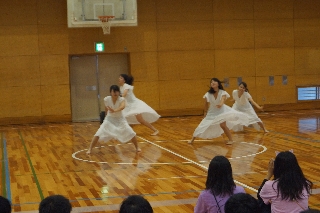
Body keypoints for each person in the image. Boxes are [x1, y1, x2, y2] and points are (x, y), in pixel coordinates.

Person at [189, 78, 249, 145]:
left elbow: (223, 99)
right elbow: (205, 104)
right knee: (203, 125)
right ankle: (192, 139)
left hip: (221, 111)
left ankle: (231, 140)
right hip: (211, 112)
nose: (212, 83)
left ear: (218, 83)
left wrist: (220, 104)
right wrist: (205, 113)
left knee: (223, 125)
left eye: (214, 81)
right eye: (211, 82)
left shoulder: (222, 92)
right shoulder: (208, 94)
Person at [86, 85, 141, 154]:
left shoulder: (122, 99)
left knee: (130, 132)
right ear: (110, 92)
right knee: (98, 132)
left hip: (120, 119)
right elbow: (106, 109)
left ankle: (137, 147)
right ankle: (90, 149)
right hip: (109, 119)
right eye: (113, 91)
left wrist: (114, 110)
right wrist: (105, 118)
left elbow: (122, 107)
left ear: (119, 92)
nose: (115, 93)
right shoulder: (106, 99)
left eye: (117, 91)